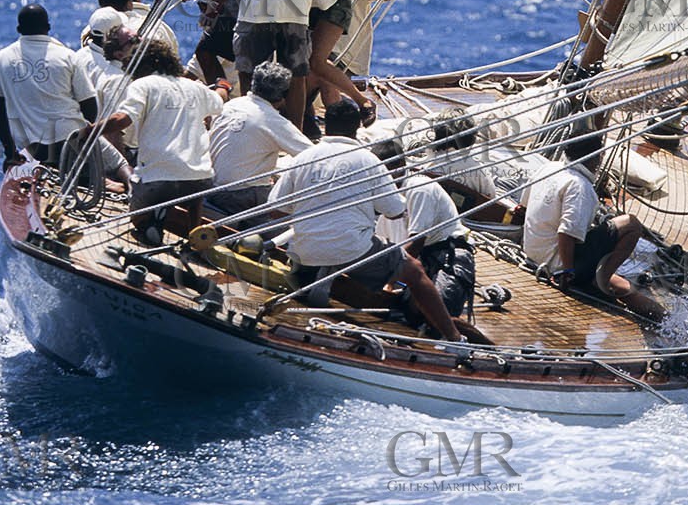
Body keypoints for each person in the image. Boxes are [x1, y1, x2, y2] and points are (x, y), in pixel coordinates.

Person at [266, 99, 463, 341]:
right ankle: (455, 338)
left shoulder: (304, 157)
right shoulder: (368, 160)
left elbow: (275, 210)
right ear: (357, 127)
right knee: (414, 271)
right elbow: (394, 211)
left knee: (325, 256)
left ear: (326, 125)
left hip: (304, 248)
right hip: (351, 248)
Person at [523, 126, 664, 323]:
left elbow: (523, 206)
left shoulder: (548, 168)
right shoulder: (581, 186)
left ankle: (600, 276)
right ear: (595, 157)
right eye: (600, 154)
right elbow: (566, 233)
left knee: (624, 285)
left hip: (532, 251)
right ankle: (601, 281)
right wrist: (567, 271)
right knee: (631, 224)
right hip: (558, 265)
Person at [95, 43, 227, 244]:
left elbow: (122, 119)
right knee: (193, 191)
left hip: (158, 179)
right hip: (198, 179)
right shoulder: (196, 88)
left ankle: (150, 223)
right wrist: (223, 85)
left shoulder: (143, 84)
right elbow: (219, 100)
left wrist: (90, 130)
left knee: (138, 216)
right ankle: (194, 235)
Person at [371, 138, 489, 341]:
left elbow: (416, 243)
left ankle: (484, 344)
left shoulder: (419, 188)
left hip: (451, 256)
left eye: (383, 171)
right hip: (423, 259)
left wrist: (389, 282)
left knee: (435, 316)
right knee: (407, 313)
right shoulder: (389, 197)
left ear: (400, 165)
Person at [0, 3, 100, 170]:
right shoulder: (68, 56)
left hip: (34, 149)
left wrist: (10, 153)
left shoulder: (2, 59)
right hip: (71, 143)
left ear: (19, 29)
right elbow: (90, 106)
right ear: (48, 27)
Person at [207, 61, 312, 227]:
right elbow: (314, 155)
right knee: (291, 204)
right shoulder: (273, 121)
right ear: (284, 95)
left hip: (211, 187)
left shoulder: (230, 105)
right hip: (240, 196)